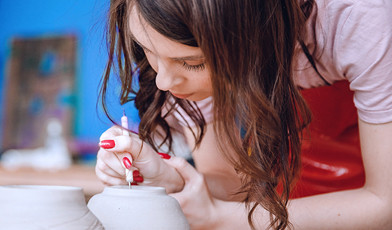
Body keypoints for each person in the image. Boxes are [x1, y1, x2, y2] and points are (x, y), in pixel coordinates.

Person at [95, 0, 392, 229]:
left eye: (193, 63)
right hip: (282, 204)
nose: (164, 82)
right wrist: (169, 179)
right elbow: (233, 187)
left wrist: (222, 218)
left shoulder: (360, 20)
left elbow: (384, 205)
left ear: (250, 32)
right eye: (147, 49)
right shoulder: (180, 54)